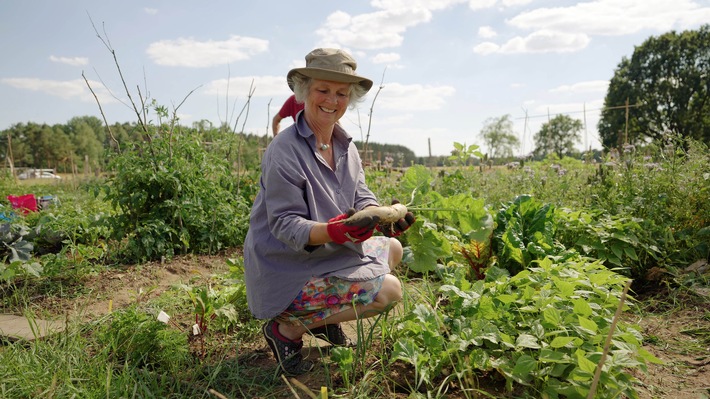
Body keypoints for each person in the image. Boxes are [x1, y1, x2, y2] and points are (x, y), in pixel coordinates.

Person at [243, 48, 415, 376]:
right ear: (304, 91)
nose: (332, 100)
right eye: (323, 90)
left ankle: (320, 322)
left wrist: (380, 218)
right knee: (390, 290)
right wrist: (336, 231)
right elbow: (285, 224)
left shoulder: (345, 146)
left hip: (327, 256)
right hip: (288, 265)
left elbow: (362, 197)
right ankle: (287, 330)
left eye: (341, 94)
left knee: (392, 248)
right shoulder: (285, 149)